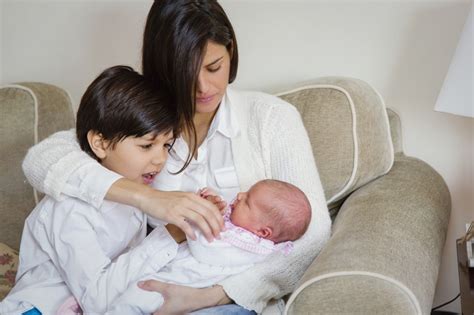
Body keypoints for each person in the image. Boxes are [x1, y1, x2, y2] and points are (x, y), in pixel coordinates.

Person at [21, 0, 332, 313]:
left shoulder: (271, 118)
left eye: (214, 67)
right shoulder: (147, 122)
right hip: (148, 285)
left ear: (231, 53)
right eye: (186, 74)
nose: (203, 88)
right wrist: (149, 199)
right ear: (162, 70)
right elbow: (43, 159)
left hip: (224, 299)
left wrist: (216, 295)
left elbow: (313, 233)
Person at [0, 65, 185, 315]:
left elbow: (124, 275)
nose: (160, 159)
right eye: (147, 145)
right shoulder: (70, 208)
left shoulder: (133, 188)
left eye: (167, 145)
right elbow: (98, 299)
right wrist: (168, 236)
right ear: (100, 143)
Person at [57, 179, 312, 314]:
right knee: (121, 287)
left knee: (134, 299)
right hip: (166, 268)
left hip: (180, 286)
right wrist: (210, 203)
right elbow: (220, 220)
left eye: (247, 202)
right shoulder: (243, 228)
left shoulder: (248, 247)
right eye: (245, 193)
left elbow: (206, 248)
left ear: (263, 232)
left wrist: (195, 226)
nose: (240, 196)